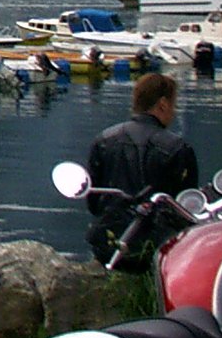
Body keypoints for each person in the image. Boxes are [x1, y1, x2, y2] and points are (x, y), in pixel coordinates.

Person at [85, 72, 199, 268]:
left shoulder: (103, 140)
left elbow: (93, 203)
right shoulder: (177, 148)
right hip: (157, 249)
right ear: (163, 104)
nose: (173, 112)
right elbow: (186, 206)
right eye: (174, 105)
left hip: (108, 245)